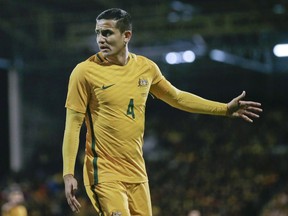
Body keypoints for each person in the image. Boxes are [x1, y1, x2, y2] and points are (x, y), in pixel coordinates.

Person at [62, 8, 262, 216]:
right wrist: (68, 173)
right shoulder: (84, 72)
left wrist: (224, 109)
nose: (100, 39)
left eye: (107, 33)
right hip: (103, 173)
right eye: (97, 33)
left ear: (126, 36)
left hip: (137, 173)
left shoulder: (146, 68)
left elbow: (177, 98)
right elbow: (73, 125)